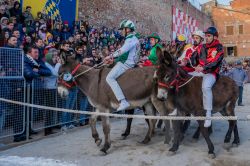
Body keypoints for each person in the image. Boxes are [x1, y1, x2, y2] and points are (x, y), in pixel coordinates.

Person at [104, 20, 140, 111]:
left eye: (122, 29)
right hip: (130, 62)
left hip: (126, 63)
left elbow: (122, 51)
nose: (121, 31)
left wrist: (110, 56)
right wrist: (114, 59)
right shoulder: (134, 38)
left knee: (109, 78)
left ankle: (123, 101)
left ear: (128, 29)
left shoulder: (130, 39)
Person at [192, 27, 224, 127]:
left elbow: (216, 62)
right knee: (186, 80)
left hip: (212, 72)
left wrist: (203, 68)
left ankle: (208, 114)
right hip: (201, 71)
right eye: (206, 36)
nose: (206, 38)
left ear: (215, 37)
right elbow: (195, 58)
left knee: (206, 87)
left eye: (209, 36)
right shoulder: (202, 47)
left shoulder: (219, 47)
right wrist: (192, 63)